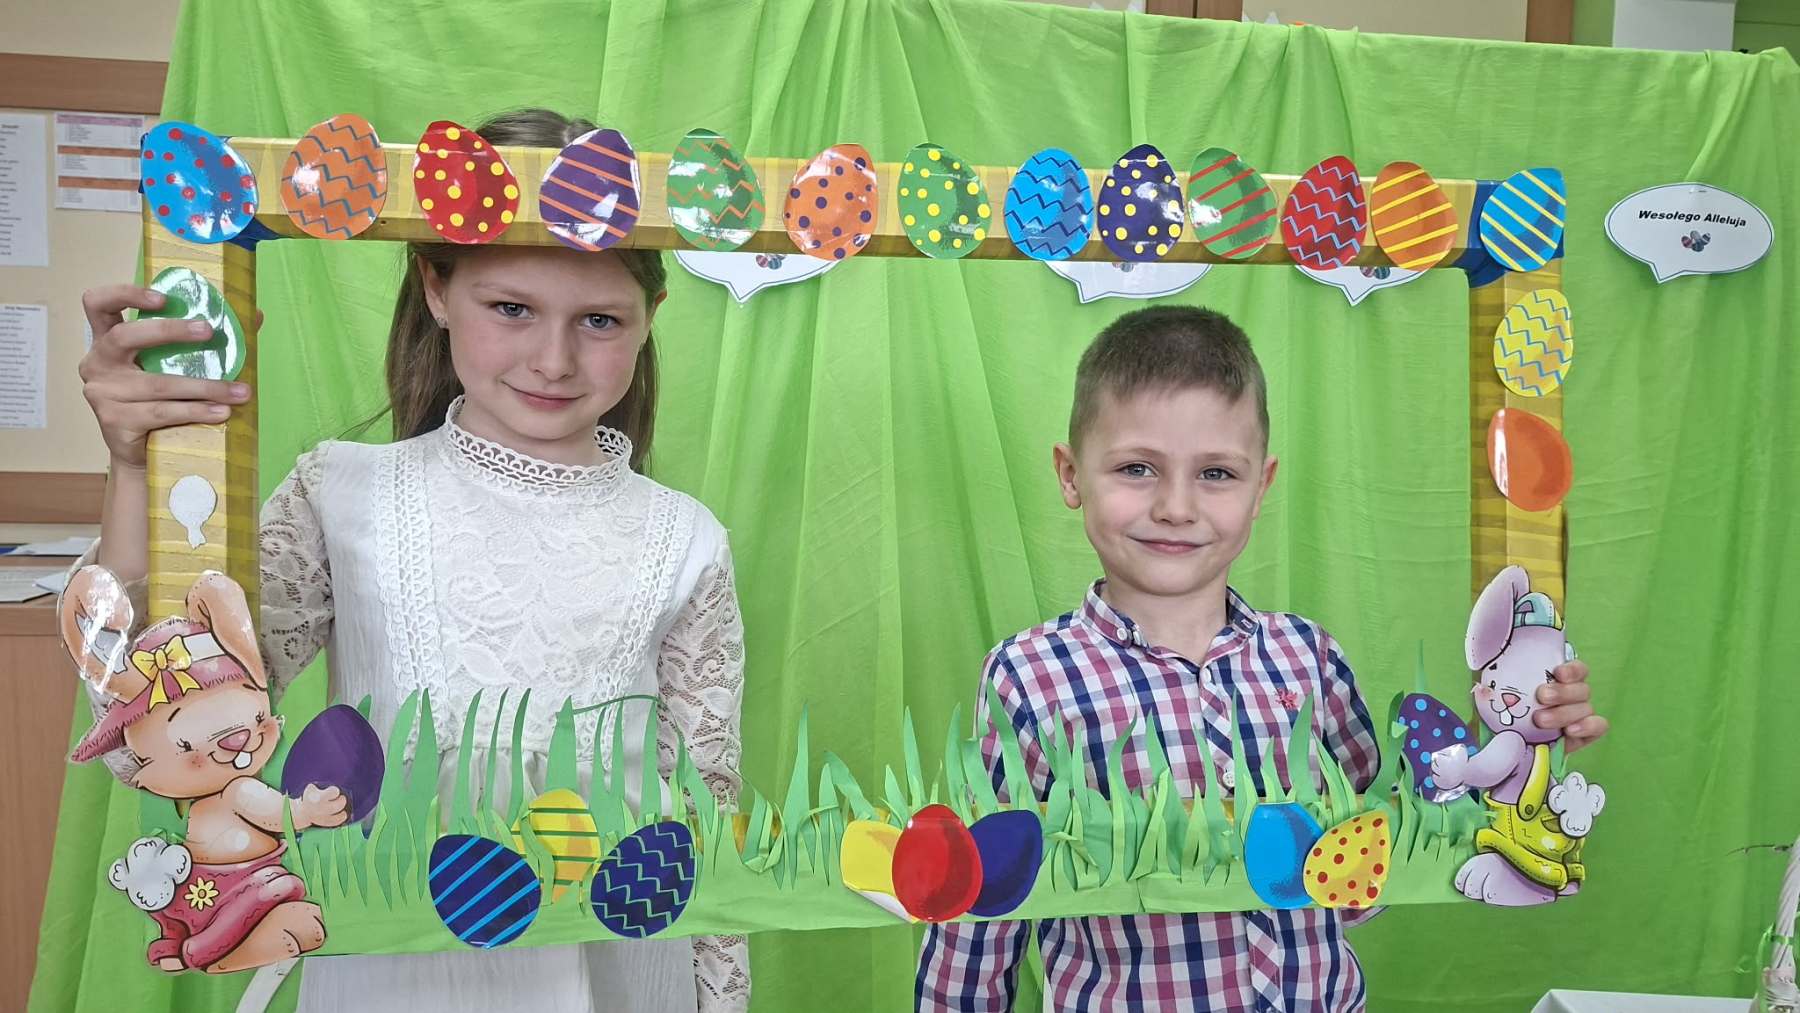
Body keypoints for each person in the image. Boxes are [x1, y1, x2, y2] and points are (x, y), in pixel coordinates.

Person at [71, 107, 750, 1013]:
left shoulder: (686, 537)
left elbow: (706, 803)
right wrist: (134, 466)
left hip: (620, 976)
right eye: (511, 308)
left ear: (649, 316)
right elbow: (162, 727)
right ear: (436, 287)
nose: (553, 358)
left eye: (598, 319)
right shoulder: (342, 494)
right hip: (398, 982)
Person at [916, 305, 1606, 1011]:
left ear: (1261, 487)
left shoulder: (1310, 659)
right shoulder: (1030, 676)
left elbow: (1379, 861)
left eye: (1216, 472)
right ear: (1071, 476)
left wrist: (1525, 745)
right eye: (1136, 468)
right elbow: (981, 913)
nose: (1176, 506)